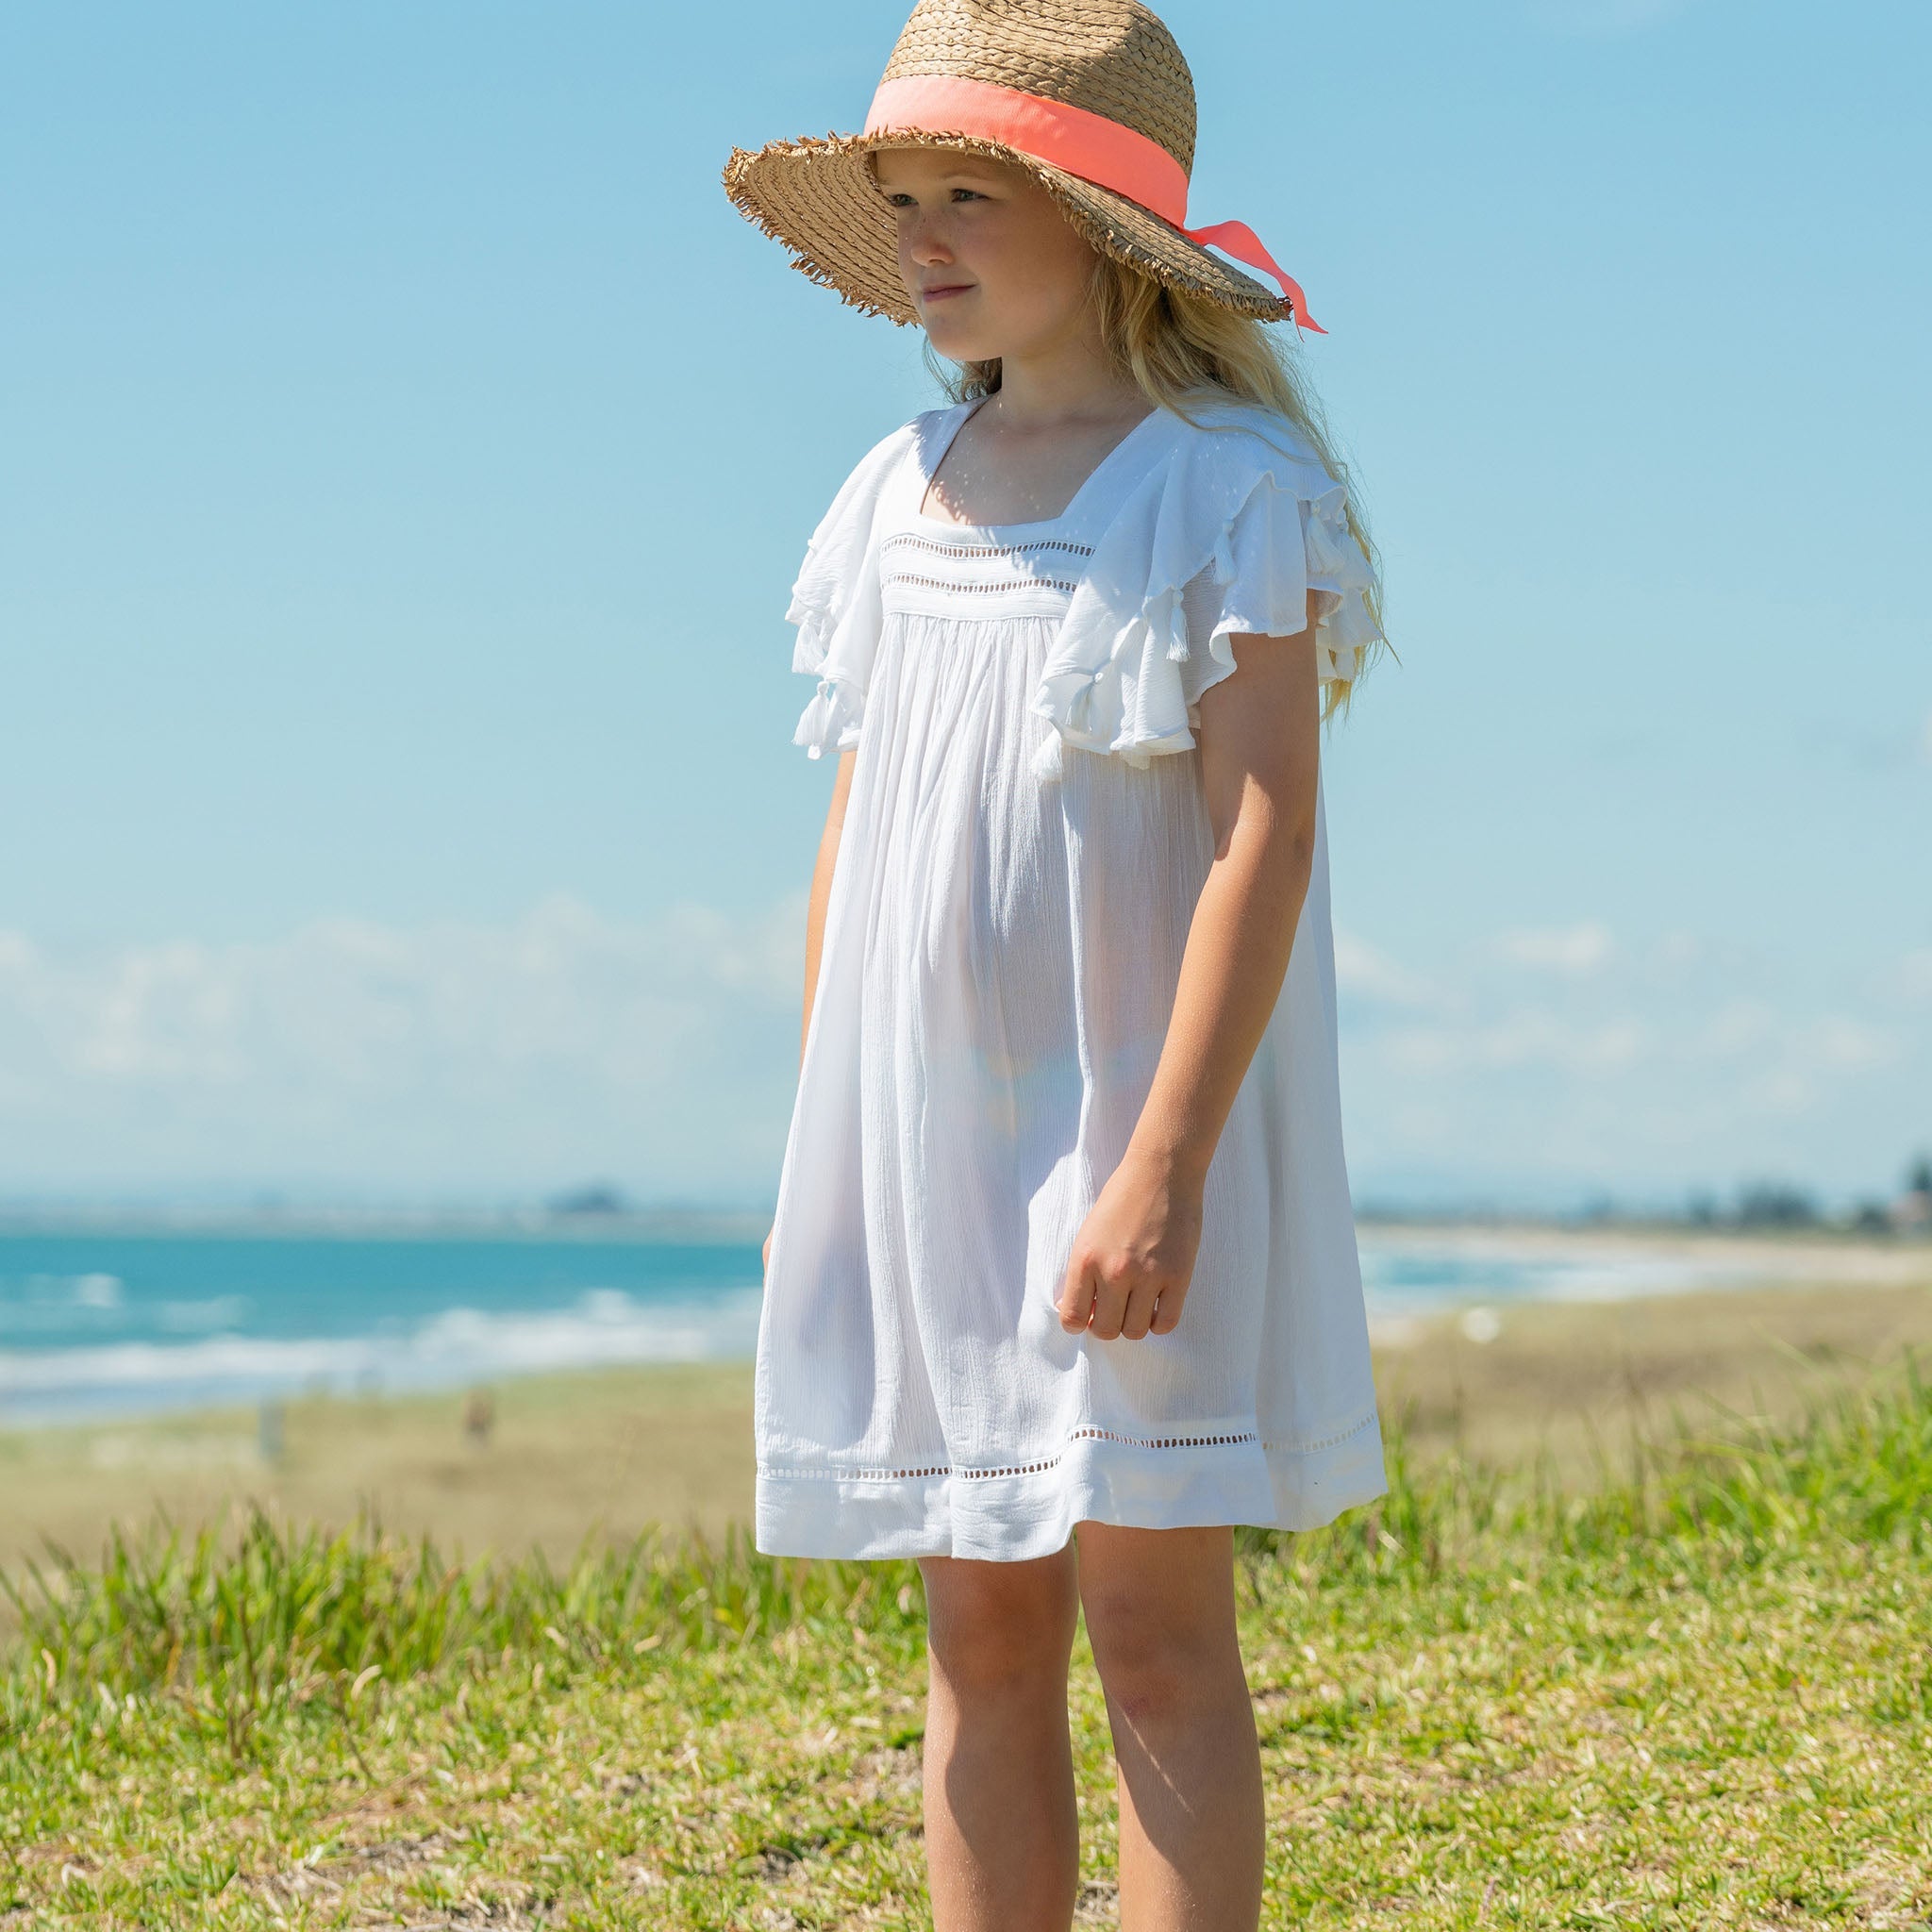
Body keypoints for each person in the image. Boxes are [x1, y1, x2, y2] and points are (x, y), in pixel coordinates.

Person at [723, 4, 1394, 1925]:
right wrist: (821, 1145)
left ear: (1102, 224)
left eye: (965, 199)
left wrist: (1166, 1156)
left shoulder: (1223, 490)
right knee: (976, 1637)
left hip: (1124, 1128)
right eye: (901, 202)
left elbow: (1265, 827)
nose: (921, 239)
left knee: (1155, 1630)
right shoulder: (889, 495)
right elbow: (853, 843)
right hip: (921, 1147)